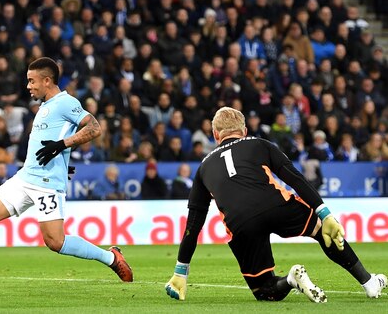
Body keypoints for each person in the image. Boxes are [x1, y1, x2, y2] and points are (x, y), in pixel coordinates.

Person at [0, 57, 132, 285]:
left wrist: (62, 147)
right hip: (25, 177)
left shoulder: (65, 102)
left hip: (48, 183)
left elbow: (94, 128)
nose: (28, 86)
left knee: (55, 242)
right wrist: (61, 155)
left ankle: (111, 258)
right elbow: (52, 140)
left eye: (32, 81)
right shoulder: (45, 105)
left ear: (47, 80)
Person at [165, 107, 386, 303]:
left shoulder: (203, 168)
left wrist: (180, 271)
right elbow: (295, 178)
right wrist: (325, 213)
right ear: (244, 132)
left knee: (264, 290)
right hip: (276, 205)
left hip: (241, 223)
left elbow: (194, 225)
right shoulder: (260, 144)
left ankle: (290, 279)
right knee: (323, 232)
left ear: (215, 135)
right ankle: (368, 283)